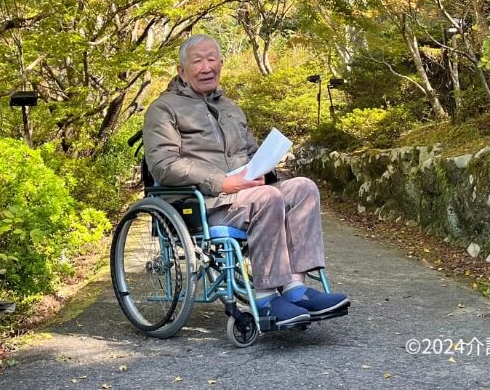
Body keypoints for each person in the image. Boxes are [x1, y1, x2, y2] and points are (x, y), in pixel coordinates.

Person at [142, 34, 349, 326]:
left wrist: (264, 168)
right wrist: (221, 182)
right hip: (203, 203)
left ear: (221, 64)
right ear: (182, 71)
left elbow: (251, 153)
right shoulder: (164, 109)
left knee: (304, 188)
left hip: (245, 194)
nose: (206, 67)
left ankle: (295, 289)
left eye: (211, 59)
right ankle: (265, 297)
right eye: (197, 61)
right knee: (268, 197)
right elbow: (164, 165)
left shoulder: (231, 109)